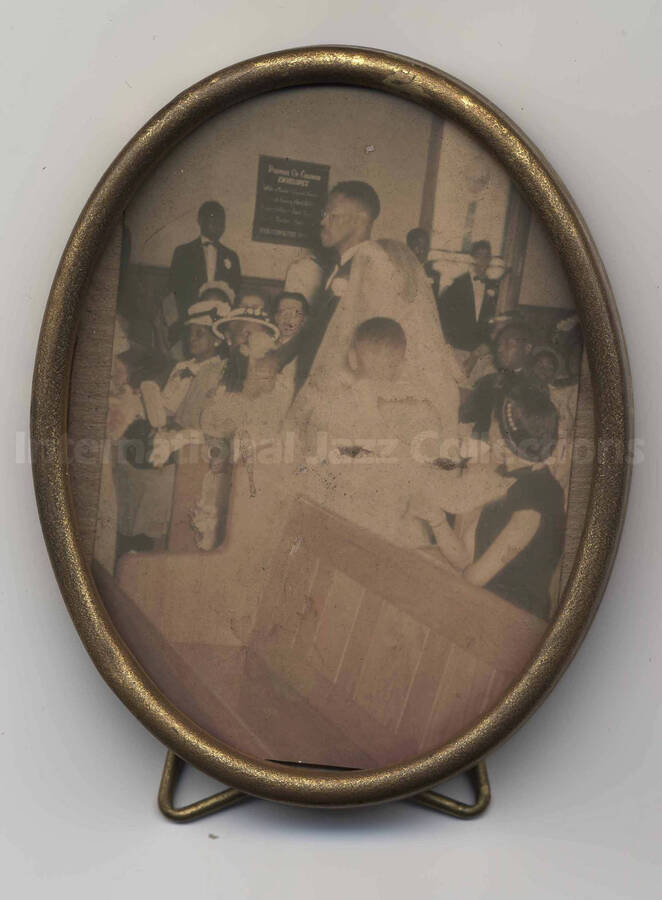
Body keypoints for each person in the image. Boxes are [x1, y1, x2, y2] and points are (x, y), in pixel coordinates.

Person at [460, 320, 537, 439]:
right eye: (499, 345)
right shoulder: (488, 382)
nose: (501, 349)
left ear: (527, 348)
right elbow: (468, 416)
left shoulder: (537, 387)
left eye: (508, 344)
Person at [169, 201, 241, 322]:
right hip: (190, 313)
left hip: (221, 315)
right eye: (213, 221)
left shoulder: (231, 256)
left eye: (221, 222)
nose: (218, 226)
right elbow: (175, 287)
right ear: (200, 221)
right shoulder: (183, 252)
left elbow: (236, 289)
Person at [437, 240, 501, 357]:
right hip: (458, 346)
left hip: (481, 348)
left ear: (490, 259)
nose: (482, 260)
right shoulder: (458, 284)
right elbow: (444, 314)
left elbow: (494, 319)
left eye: (486, 256)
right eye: (478, 256)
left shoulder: (494, 286)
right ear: (472, 259)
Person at [406, 227, 440, 298]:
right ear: (408, 247)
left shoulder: (434, 274)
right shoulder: (401, 269)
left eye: (424, 247)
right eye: (417, 246)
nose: (421, 251)